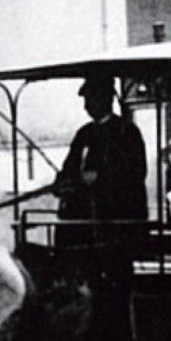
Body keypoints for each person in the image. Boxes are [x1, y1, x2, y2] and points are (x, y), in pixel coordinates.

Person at [53, 75, 148, 247]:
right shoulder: (84, 134)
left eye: (92, 98)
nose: (87, 105)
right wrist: (61, 182)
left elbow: (136, 173)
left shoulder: (127, 133)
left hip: (116, 224)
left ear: (107, 98)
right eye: (86, 100)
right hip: (84, 224)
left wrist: (99, 177)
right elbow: (70, 168)